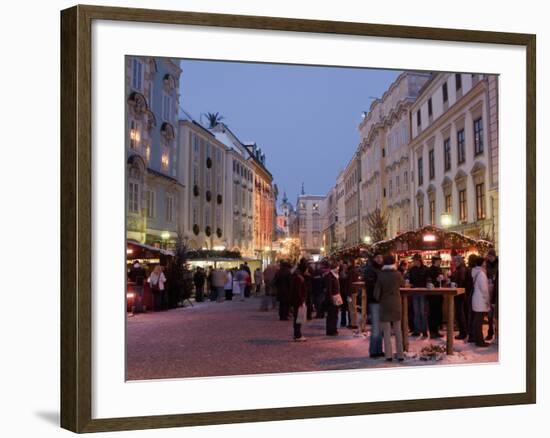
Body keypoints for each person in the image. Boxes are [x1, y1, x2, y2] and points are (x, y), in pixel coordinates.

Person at [374, 254, 405, 362]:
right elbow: (403, 284)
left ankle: (388, 355)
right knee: (398, 330)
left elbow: (376, 293)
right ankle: (400, 354)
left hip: (385, 304)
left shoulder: (380, 275)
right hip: (396, 303)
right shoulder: (397, 274)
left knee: (386, 332)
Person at [364, 252, 384, 357]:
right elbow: (370, 285)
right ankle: (373, 351)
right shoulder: (370, 270)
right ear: (374, 258)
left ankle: (379, 349)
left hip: (381, 300)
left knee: (380, 327)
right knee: (376, 327)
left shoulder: (381, 269)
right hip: (374, 301)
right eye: (378, 257)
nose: (380, 259)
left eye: (381, 257)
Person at [471, 256, 491, 347]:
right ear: (482, 263)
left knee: (476, 321)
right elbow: (485, 290)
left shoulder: (476, 272)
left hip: (476, 299)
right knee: (479, 322)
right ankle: (480, 342)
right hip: (481, 300)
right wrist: (487, 301)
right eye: (484, 262)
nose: (486, 264)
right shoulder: (481, 274)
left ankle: (477, 339)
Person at [408, 253, 428, 338]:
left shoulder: (425, 269)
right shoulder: (412, 270)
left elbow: (428, 279)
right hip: (415, 291)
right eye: (414, 260)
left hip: (423, 291)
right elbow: (410, 280)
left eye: (415, 260)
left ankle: (423, 330)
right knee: (416, 312)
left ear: (419, 260)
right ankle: (417, 330)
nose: (414, 262)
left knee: (422, 312)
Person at [451, 255, 468, 339]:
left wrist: (455, 285)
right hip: (460, 293)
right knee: (460, 313)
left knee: (459, 313)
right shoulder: (460, 269)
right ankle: (463, 331)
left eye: (456, 261)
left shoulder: (461, 270)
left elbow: (461, 281)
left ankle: (463, 332)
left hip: (460, 294)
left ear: (459, 261)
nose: (454, 263)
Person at [427, 255, 444, 338]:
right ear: (435, 261)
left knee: (437, 312)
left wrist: (443, 279)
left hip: (439, 294)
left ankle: (436, 330)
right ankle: (432, 331)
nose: (440, 262)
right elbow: (428, 282)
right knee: (433, 312)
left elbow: (441, 280)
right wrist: (436, 281)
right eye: (439, 261)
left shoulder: (439, 269)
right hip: (433, 295)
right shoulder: (430, 270)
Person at [290, 261, 307, 341]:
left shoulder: (297, 277)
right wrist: (301, 300)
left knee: (298, 318)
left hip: (296, 301)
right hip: (298, 301)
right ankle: (297, 335)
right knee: (298, 318)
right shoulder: (299, 278)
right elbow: (298, 291)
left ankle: (297, 334)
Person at [325, 261, 341, 336]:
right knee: (331, 315)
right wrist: (330, 298)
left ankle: (334, 329)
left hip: (336, 297)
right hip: (332, 298)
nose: (338, 269)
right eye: (337, 267)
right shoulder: (330, 276)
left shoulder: (336, 275)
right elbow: (329, 288)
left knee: (335, 314)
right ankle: (330, 330)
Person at [485, 249, 499, 341]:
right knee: (490, 314)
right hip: (489, 289)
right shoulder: (486, 264)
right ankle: (490, 332)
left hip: (497, 289)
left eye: (491, 256)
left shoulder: (499, 263)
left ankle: (497, 333)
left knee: (497, 314)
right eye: (488, 256)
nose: (489, 258)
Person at [346, 260, 360, 329]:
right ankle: (353, 323)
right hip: (353, 291)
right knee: (352, 307)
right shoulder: (354, 270)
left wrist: (348, 293)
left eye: (348, 262)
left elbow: (350, 283)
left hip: (351, 292)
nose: (347, 263)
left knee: (352, 308)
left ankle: (354, 323)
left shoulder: (351, 271)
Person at [338, 261, 349, 328]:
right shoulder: (341, 275)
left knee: (346, 309)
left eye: (346, 267)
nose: (345, 268)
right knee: (344, 309)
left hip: (345, 293)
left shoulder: (347, 274)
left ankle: (345, 322)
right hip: (343, 293)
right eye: (344, 267)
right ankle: (343, 322)